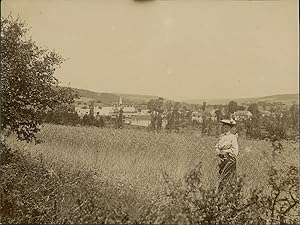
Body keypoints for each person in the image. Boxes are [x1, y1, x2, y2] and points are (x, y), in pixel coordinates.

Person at [215, 119, 239, 191]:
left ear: (230, 128)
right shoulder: (221, 137)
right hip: (221, 160)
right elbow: (217, 147)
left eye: (227, 128)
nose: (226, 129)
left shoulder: (233, 137)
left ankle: (228, 192)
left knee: (228, 177)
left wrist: (226, 151)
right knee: (221, 176)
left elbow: (235, 151)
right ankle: (220, 192)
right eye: (224, 127)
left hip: (229, 160)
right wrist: (219, 152)